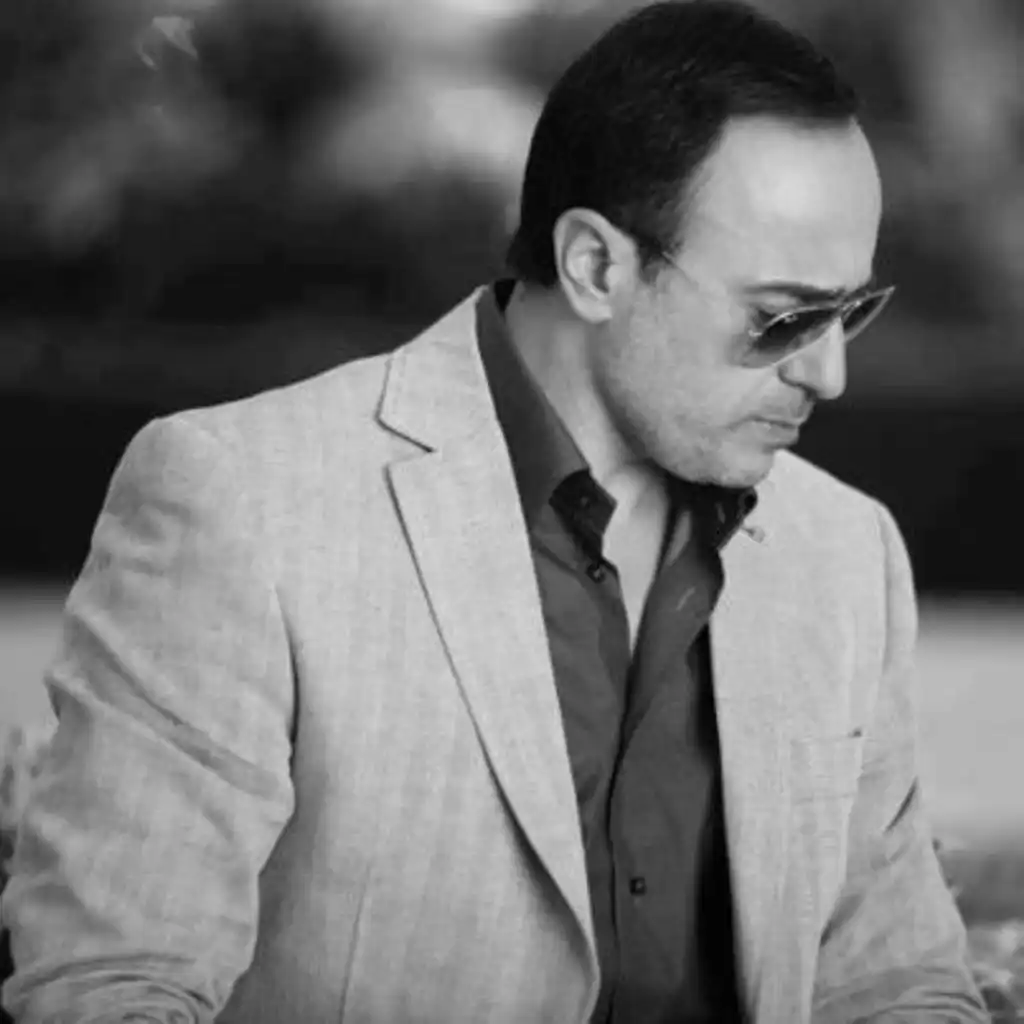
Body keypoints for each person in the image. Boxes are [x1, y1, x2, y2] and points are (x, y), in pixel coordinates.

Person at [1, 2, 989, 1022]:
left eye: (851, 311)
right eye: (783, 318)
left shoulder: (844, 549)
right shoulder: (243, 501)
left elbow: (894, 985)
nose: (828, 374)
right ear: (595, 266)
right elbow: (109, 988)